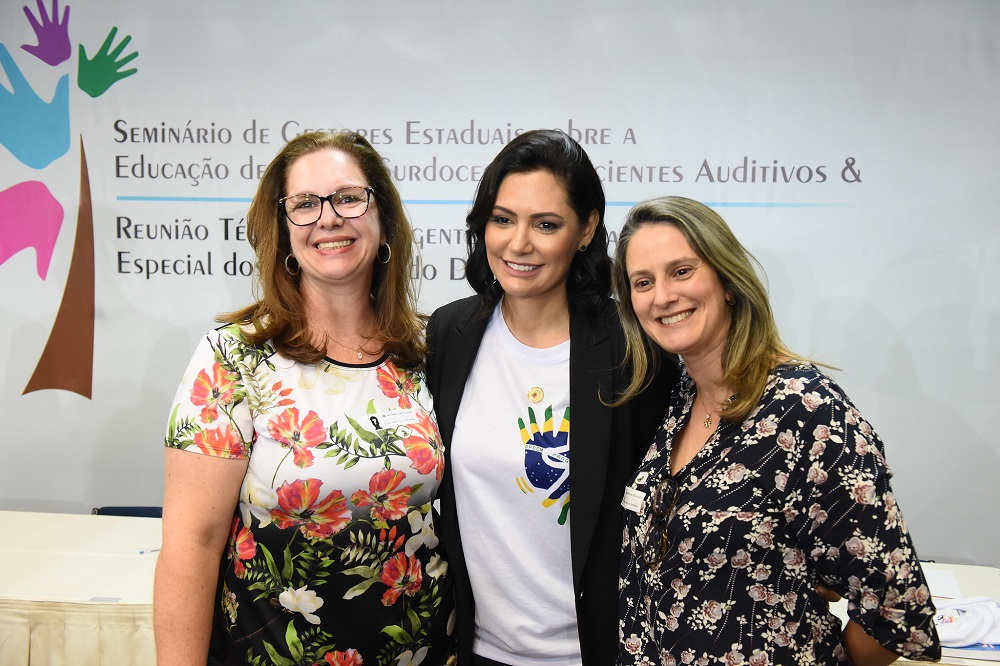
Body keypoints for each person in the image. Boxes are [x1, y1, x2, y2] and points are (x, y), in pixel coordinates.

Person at [154, 131, 455, 666]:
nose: (329, 219)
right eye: (305, 204)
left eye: (348, 198)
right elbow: (191, 546)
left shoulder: (432, 351)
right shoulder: (234, 360)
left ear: (382, 218)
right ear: (283, 231)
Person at [612, 196, 940, 665]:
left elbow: (894, 612)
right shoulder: (676, 395)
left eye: (681, 271)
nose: (662, 296)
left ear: (726, 280)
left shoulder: (808, 411)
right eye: (643, 282)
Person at [426, 129, 678, 666]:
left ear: (586, 229)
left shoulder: (634, 347)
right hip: (477, 649)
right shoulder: (451, 332)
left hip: (594, 652)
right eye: (502, 219)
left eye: (545, 224)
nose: (519, 244)